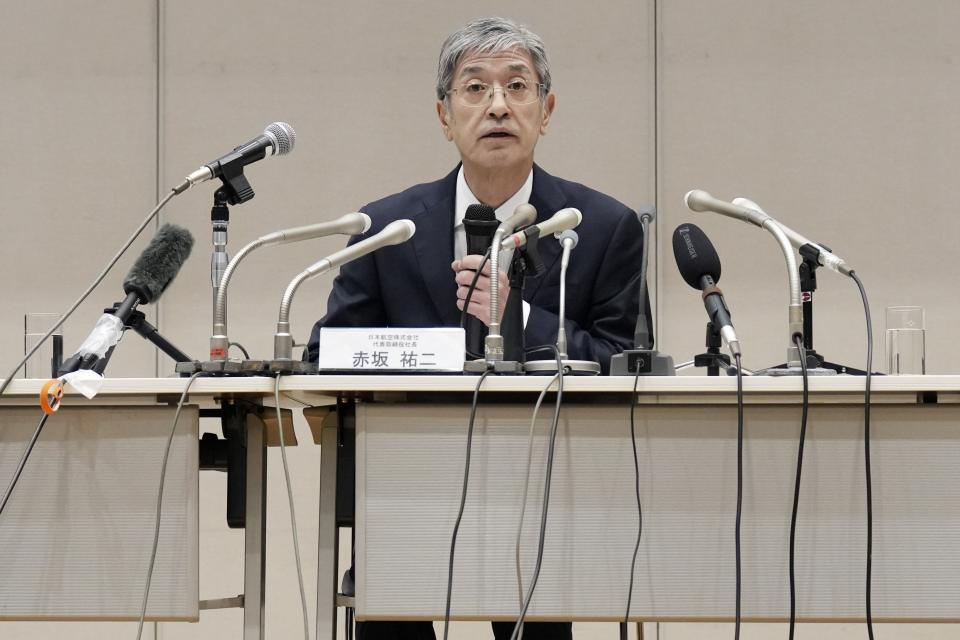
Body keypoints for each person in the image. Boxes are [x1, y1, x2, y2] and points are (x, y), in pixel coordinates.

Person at [306, 16, 649, 640]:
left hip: (548, 491)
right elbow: (326, 352)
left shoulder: (602, 225)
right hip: (405, 490)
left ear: (546, 111)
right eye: (475, 88)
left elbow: (625, 359)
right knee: (386, 604)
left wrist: (514, 316)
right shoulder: (385, 228)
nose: (497, 106)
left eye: (517, 88)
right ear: (444, 115)